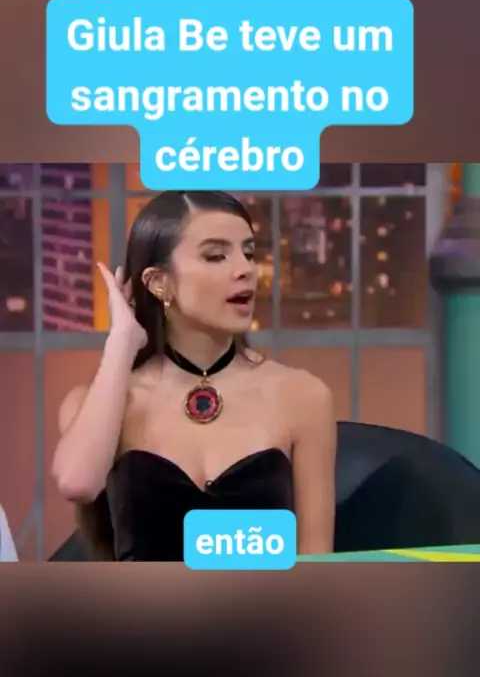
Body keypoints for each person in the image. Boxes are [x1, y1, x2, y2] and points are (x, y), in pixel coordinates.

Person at [52, 191, 336, 561]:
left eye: (249, 253)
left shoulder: (303, 396)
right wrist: (122, 341)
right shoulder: (98, 404)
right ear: (159, 283)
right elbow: (77, 482)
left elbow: (316, 563)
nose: (246, 269)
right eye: (216, 256)